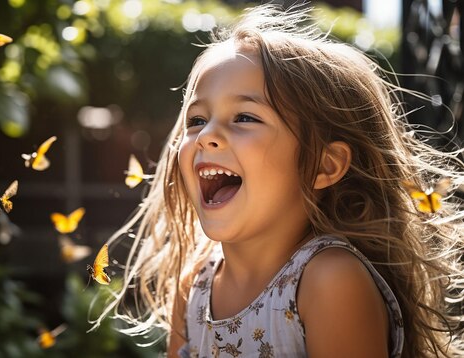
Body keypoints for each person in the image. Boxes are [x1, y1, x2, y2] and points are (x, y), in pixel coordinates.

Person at [90, 4, 464, 357]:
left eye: (245, 118)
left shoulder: (329, 282)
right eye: (197, 120)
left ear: (324, 165)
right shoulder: (195, 285)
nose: (205, 136)